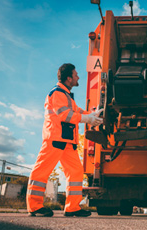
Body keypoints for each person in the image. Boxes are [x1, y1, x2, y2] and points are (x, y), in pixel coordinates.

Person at [27, 63, 103, 217]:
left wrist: (93, 115)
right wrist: (86, 118)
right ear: (69, 78)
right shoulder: (57, 93)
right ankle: (34, 207)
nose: (78, 77)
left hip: (67, 142)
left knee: (75, 172)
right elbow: (65, 115)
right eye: (75, 75)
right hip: (54, 140)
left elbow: (78, 111)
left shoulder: (66, 95)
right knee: (41, 172)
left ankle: (72, 207)